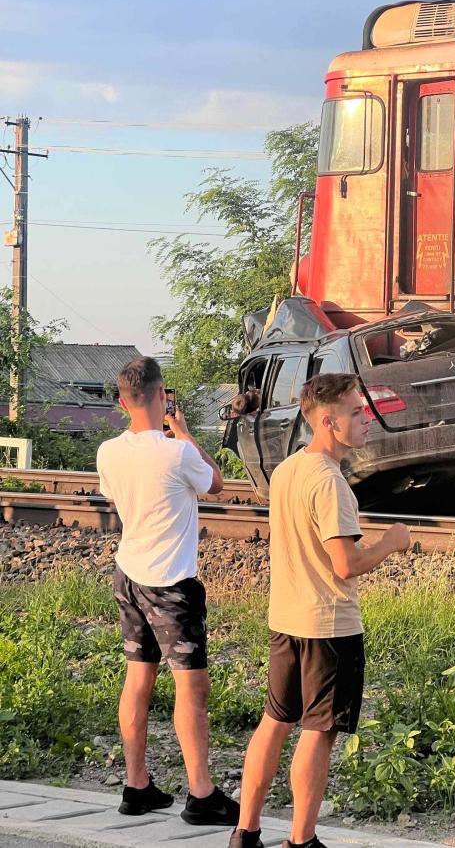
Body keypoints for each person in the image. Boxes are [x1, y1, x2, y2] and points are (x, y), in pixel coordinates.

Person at [229, 373, 411, 848]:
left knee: (275, 721)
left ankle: (244, 832)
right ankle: (301, 841)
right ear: (328, 421)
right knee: (319, 730)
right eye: (356, 411)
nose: (367, 418)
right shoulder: (331, 484)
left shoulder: (289, 469)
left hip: (286, 619)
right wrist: (391, 543)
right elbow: (345, 563)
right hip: (328, 626)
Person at [97, 356, 239, 827]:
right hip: (171, 583)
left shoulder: (108, 452)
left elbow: (118, 497)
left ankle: (136, 785)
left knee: (138, 678)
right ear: (162, 396)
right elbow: (216, 483)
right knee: (191, 687)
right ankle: (202, 794)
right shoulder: (177, 452)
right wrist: (182, 430)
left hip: (129, 575)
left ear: (122, 402)